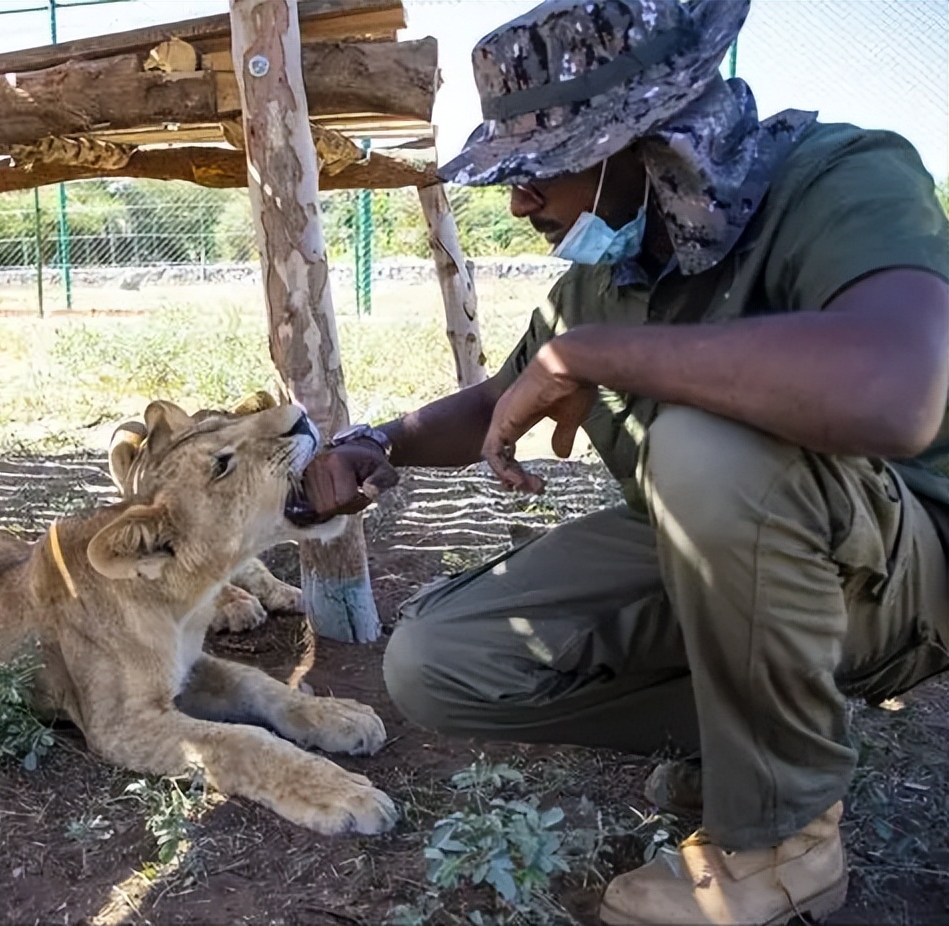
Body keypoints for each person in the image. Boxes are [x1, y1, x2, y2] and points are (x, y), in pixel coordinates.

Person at [298, 0, 949, 922]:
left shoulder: (840, 178)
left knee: (703, 441)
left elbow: (896, 389)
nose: (520, 202)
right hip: (737, 568)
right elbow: (499, 402)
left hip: (908, 571)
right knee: (437, 660)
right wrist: (378, 444)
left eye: (539, 171)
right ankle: (754, 739)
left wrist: (600, 359)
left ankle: (781, 840)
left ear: (645, 139)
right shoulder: (609, 278)